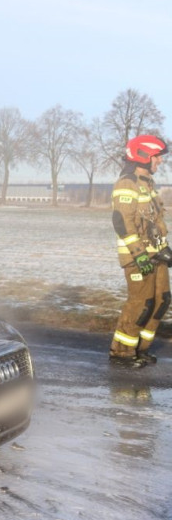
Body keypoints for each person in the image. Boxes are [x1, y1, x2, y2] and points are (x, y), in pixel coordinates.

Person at [110, 134, 171, 368]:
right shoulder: (127, 183)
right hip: (138, 258)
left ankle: (140, 349)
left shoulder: (147, 183)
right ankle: (121, 353)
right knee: (141, 304)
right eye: (157, 157)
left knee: (161, 301)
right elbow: (122, 222)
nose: (160, 161)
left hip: (155, 256)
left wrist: (164, 249)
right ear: (143, 156)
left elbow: (153, 222)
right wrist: (140, 254)